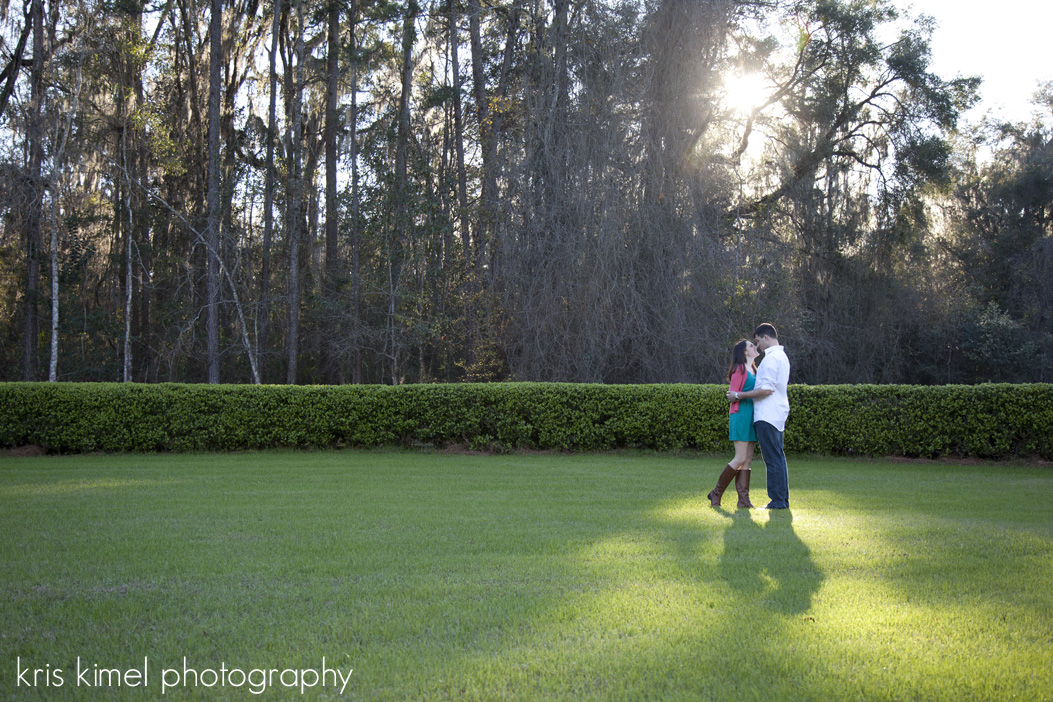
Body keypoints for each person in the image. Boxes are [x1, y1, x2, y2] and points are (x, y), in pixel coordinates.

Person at [726, 323, 791, 510]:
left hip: (767, 414)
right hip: (777, 413)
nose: (758, 346)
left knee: (772, 459)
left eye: (758, 341)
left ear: (765, 337)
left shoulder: (770, 359)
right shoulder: (782, 357)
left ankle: (777, 501)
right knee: (778, 457)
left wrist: (739, 395)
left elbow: (767, 389)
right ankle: (782, 500)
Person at [707, 339, 759, 508]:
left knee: (748, 460)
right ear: (744, 352)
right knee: (740, 457)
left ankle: (743, 500)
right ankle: (716, 493)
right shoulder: (740, 369)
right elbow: (732, 395)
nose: (755, 347)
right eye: (751, 346)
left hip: (752, 417)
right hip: (741, 415)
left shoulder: (754, 369)